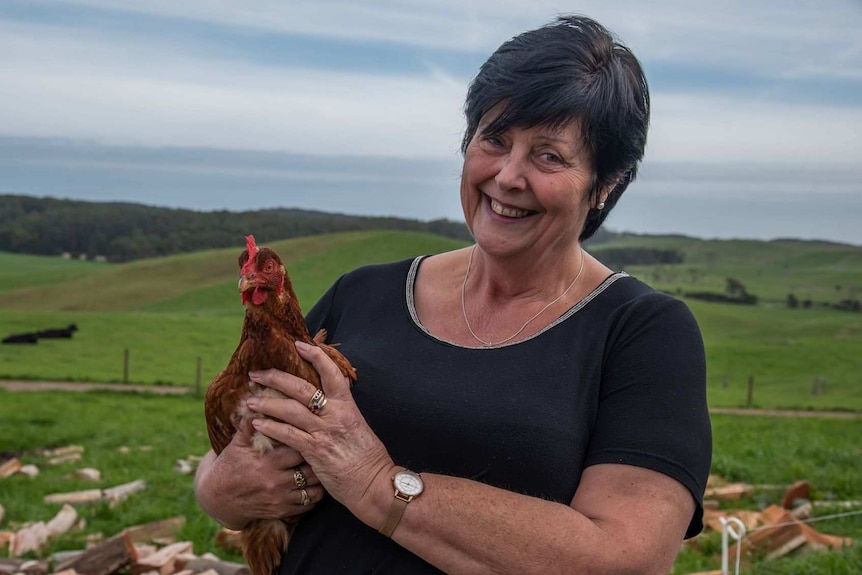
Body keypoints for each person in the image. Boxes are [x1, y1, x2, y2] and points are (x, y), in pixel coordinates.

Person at [195, 14, 712, 575]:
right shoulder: (364, 292)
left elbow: (627, 560)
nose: (508, 176)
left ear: (604, 186)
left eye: (549, 156)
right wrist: (224, 491)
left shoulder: (643, 333)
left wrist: (375, 483)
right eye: (495, 139)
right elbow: (223, 466)